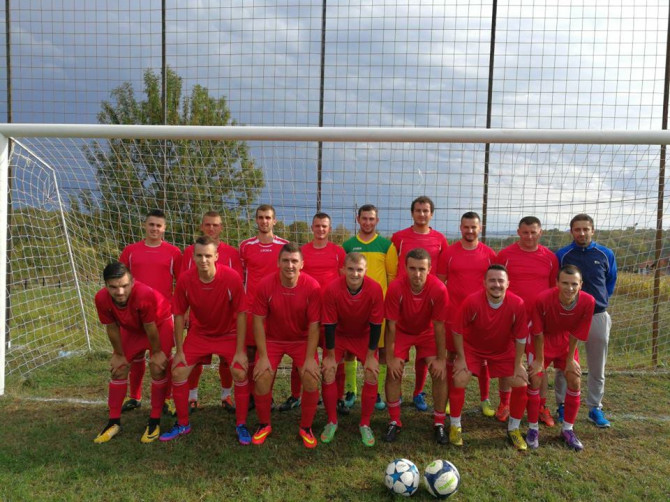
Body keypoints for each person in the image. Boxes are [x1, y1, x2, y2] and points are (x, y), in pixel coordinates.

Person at [159, 236, 251, 444]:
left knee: (239, 370)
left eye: (208, 256)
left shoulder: (231, 278)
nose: (203, 260)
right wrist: (179, 350)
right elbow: (179, 314)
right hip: (200, 334)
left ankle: (241, 424)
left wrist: (240, 351)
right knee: (178, 370)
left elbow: (242, 313)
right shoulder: (185, 280)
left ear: (216, 256)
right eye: (199, 256)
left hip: (228, 333)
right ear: (193, 257)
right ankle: (183, 423)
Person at [449, 264, 529, 450]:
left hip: (502, 350)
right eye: (492, 280)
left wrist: (518, 364)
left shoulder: (517, 304)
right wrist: (461, 358)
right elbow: (457, 330)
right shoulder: (472, 301)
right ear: (484, 283)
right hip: (473, 349)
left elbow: (521, 337)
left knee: (520, 382)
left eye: (501, 281)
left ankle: (514, 429)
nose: (496, 284)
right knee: (460, 377)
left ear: (508, 283)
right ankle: (455, 426)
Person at [251, 243, 322, 448]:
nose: (290, 265)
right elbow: (258, 321)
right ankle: (264, 424)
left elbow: (314, 325)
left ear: (302, 264)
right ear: (278, 262)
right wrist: (263, 356)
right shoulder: (265, 285)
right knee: (262, 376)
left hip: (301, 340)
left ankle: (306, 427)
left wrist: (310, 358)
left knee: (311, 377)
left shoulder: (312, 287)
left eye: (294, 261)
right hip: (273, 340)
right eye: (285, 261)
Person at [93, 262, 173, 443]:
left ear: (133, 282)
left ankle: (154, 419)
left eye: (124, 285)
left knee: (157, 367)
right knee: (119, 368)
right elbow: (112, 327)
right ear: (105, 285)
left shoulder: (144, 294)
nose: (120, 292)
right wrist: (118, 354)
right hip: (133, 328)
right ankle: (113, 422)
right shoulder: (101, 298)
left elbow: (150, 327)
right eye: (113, 287)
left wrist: (157, 352)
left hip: (159, 325)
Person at [278, 212, 345, 413]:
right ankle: (295, 395)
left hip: (331, 313)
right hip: (307, 312)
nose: (321, 229)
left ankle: (338, 397)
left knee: (335, 357)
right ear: (312, 228)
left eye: (324, 226)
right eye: (317, 225)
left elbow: (343, 280)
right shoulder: (303, 251)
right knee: (300, 355)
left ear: (329, 229)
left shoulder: (338, 251)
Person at [496, 216, 559, 425]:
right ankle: (504, 403)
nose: (529, 236)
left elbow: (553, 289)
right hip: (511, 317)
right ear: (518, 232)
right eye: (525, 232)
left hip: (539, 320)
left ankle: (541, 405)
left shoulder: (550, 258)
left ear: (540, 232)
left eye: (533, 232)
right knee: (508, 362)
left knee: (538, 364)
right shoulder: (505, 255)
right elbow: (496, 284)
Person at [382, 248, 450, 445]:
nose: (417, 273)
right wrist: (390, 357)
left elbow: (439, 326)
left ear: (429, 269)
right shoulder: (396, 287)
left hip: (427, 332)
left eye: (421, 269)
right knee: (393, 371)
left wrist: (441, 359)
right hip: (402, 331)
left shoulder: (439, 289)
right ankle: (394, 420)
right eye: (412, 268)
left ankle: (439, 423)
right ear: (405, 268)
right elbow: (391, 326)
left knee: (440, 373)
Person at [555, 214, 617, 427]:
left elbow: (610, 281)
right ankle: (562, 405)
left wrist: (599, 301)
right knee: (564, 361)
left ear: (592, 230)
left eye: (585, 229)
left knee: (597, 365)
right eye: (577, 229)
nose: (581, 233)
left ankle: (595, 407)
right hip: (568, 315)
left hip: (597, 315)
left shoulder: (605, 254)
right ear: (571, 231)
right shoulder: (563, 255)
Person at [525, 265, 595, 451]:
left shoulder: (588, 301)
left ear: (581, 284)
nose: (569, 288)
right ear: (556, 283)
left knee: (574, 379)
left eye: (574, 284)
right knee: (535, 378)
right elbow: (537, 332)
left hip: (565, 342)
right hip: (542, 341)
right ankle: (533, 429)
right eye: (565, 283)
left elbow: (577, 332)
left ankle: (567, 429)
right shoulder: (542, 299)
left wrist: (570, 359)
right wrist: (539, 360)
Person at [118, 209, 181, 413]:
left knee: (163, 359)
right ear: (144, 225)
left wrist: (179, 310)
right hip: (134, 315)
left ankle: (167, 398)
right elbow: (119, 281)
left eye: (158, 225)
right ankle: (134, 396)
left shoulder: (173, 252)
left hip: (162, 316)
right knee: (135, 357)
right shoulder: (130, 251)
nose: (154, 228)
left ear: (164, 228)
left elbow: (181, 283)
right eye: (151, 224)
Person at [181, 211, 243, 414]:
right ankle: (192, 397)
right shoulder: (190, 252)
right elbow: (184, 284)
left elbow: (238, 286)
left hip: (227, 319)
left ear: (221, 228)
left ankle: (226, 395)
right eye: (207, 224)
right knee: (195, 359)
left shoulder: (232, 253)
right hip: (199, 318)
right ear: (202, 226)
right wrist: (187, 312)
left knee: (227, 360)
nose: (211, 228)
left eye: (215, 225)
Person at [320, 252, 384, 446]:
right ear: (343, 270)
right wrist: (330, 356)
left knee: (372, 371)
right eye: (350, 269)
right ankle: (331, 421)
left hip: (363, 335)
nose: (355, 274)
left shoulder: (375, 289)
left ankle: (365, 423)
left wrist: (371, 356)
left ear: (366, 271)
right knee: (328, 370)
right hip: (339, 334)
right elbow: (329, 325)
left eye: (359, 270)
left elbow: (376, 325)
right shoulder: (332, 289)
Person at [392, 196, 448, 412]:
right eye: (418, 210)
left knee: (425, 355)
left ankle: (418, 392)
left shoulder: (440, 239)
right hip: (403, 302)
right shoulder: (399, 237)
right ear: (412, 213)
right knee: (398, 356)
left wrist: (433, 296)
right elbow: (393, 266)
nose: (422, 214)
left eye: (426, 211)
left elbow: (441, 272)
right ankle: (395, 399)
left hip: (427, 302)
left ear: (431, 214)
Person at [438, 212, 496, 417]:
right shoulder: (449, 253)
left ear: (480, 228)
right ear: (460, 228)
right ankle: (450, 396)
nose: (470, 231)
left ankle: (485, 399)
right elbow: (440, 283)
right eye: (466, 227)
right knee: (452, 355)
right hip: (454, 314)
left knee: (483, 357)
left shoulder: (489, 254)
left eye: (474, 227)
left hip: (481, 315)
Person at [342, 204, 398, 411]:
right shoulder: (348, 245)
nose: (367, 222)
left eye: (371, 219)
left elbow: (392, 277)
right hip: (353, 306)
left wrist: (388, 304)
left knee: (381, 350)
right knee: (349, 350)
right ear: (358, 219)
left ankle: (376, 392)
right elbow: (343, 275)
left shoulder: (386, 245)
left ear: (377, 221)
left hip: (378, 307)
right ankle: (351, 389)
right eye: (364, 218)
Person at [239, 204, 289, 406]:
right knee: (251, 350)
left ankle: (267, 393)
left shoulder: (284, 245)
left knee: (270, 351)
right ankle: (253, 393)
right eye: (260, 217)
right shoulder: (246, 246)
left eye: (268, 217)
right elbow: (242, 277)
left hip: (276, 308)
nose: (264, 221)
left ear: (274, 221)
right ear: (256, 220)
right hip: (252, 307)